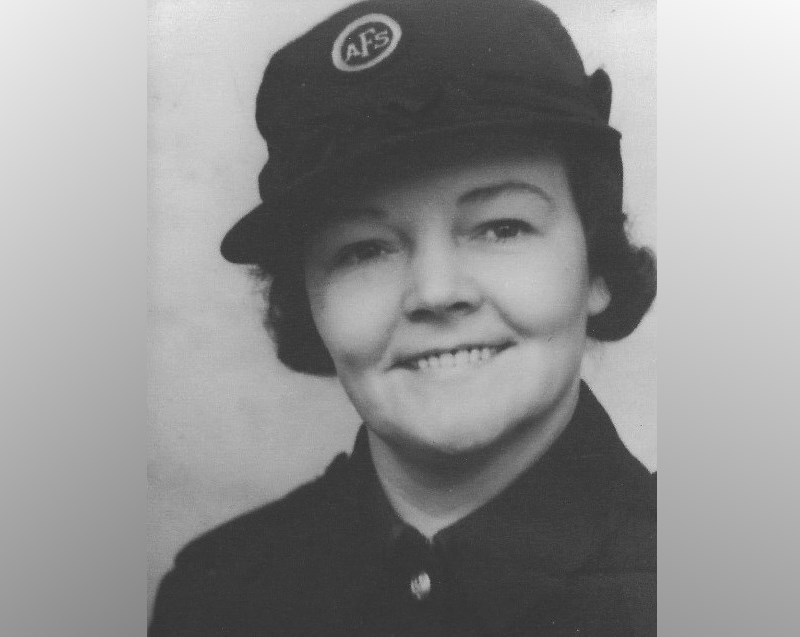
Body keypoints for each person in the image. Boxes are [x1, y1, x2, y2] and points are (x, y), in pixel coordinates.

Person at [149, 0, 657, 635]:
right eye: (363, 249)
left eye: (502, 227)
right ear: (307, 300)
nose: (435, 292)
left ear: (598, 265)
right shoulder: (213, 600)